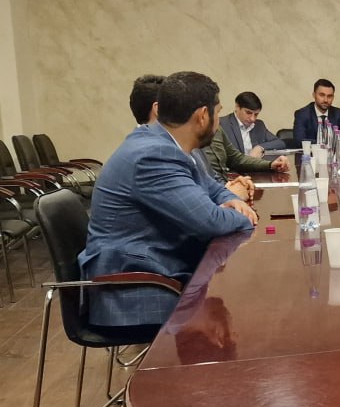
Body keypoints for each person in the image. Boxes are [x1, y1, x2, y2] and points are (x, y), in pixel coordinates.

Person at [81, 71, 257, 329]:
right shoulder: (154, 155)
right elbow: (210, 222)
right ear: (202, 116)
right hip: (137, 288)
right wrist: (244, 214)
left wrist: (232, 199)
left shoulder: (170, 144)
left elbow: (212, 188)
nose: (219, 121)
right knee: (250, 307)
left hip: (162, 266)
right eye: (218, 112)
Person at [129, 74, 258, 201]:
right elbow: (197, 208)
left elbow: (208, 184)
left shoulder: (181, 143)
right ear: (158, 109)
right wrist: (232, 195)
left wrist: (227, 190)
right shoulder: (153, 155)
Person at [206, 127, 290, 182]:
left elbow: (237, 159)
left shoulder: (218, 130)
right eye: (217, 112)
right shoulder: (198, 140)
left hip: (224, 188)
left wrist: (270, 165)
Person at [292, 78, 340, 144]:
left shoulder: (338, 114)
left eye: (329, 96)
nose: (326, 100)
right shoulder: (302, 114)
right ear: (314, 95)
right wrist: (329, 143)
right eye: (322, 95)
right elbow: (299, 140)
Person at [221, 91, 285, 155]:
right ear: (237, 107)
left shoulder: (259, 125)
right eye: (248, 113)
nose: (252, 119)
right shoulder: (222, 124)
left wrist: (260, 147)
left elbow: (280, 143)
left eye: (256, 114)